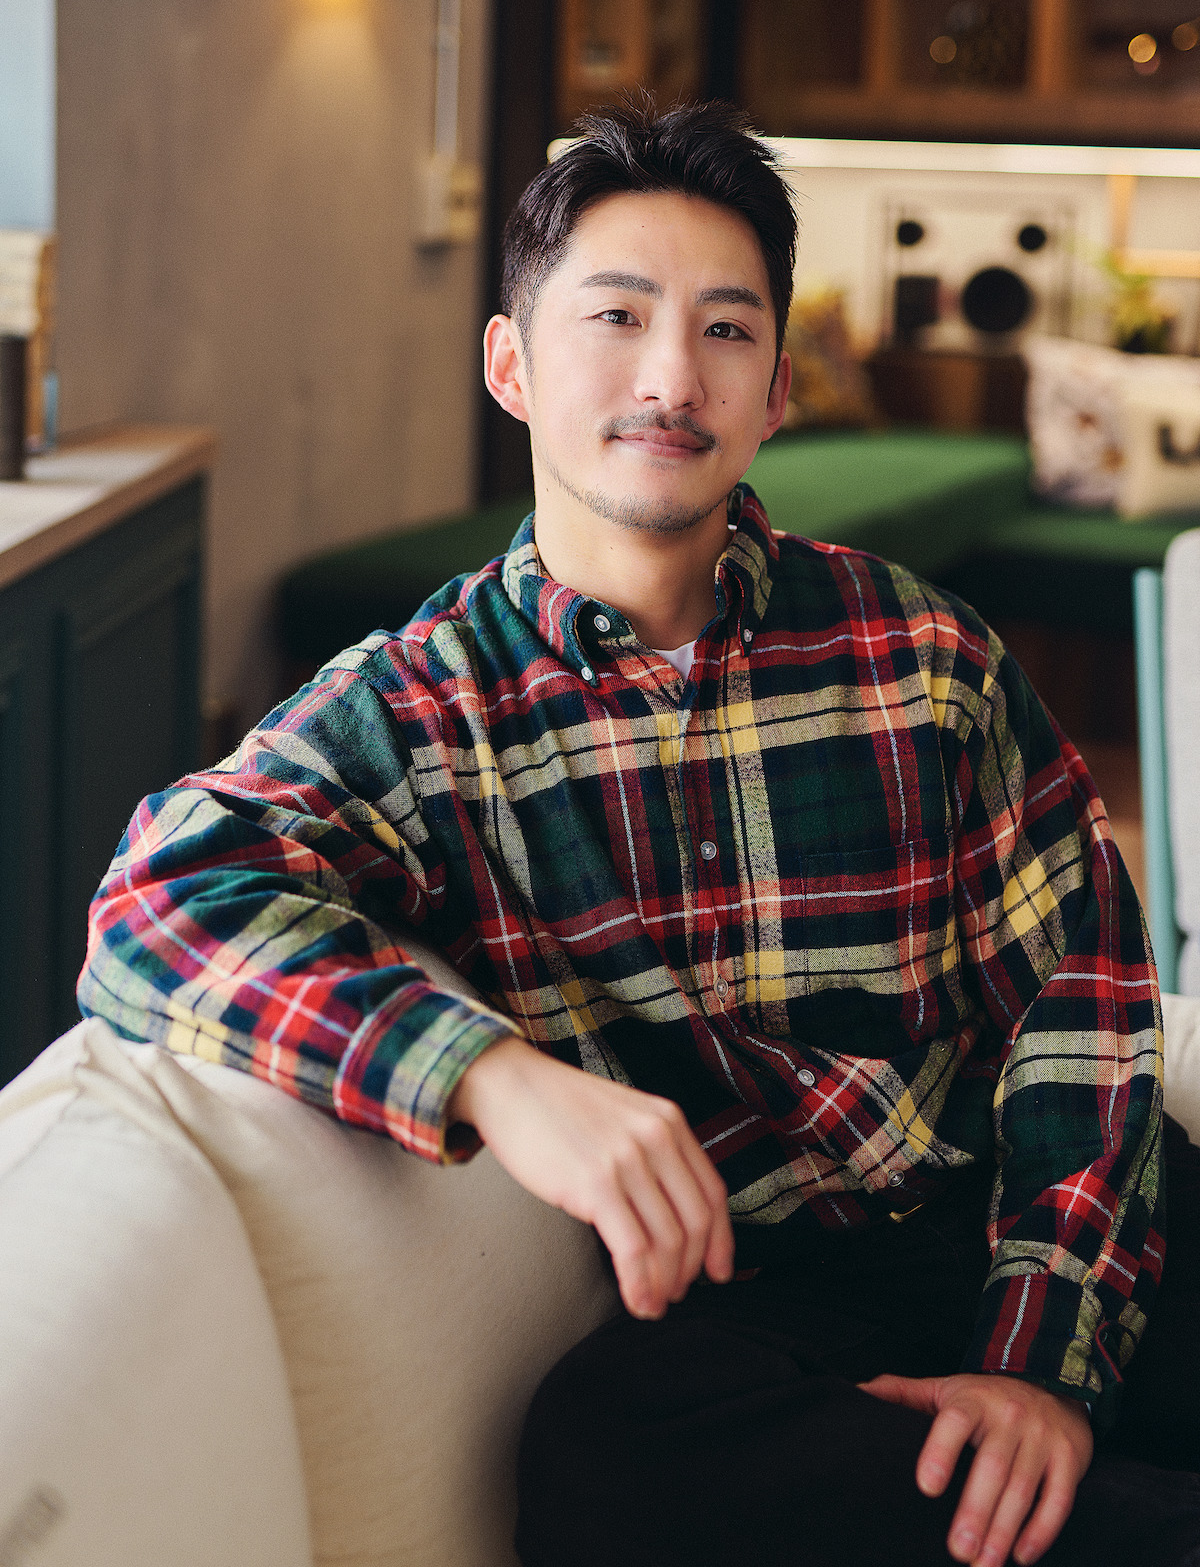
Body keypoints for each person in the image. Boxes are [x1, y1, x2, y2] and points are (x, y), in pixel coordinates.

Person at [79, 100, 1199, 1567]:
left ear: (778, 389)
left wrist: (1039, 1364)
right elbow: (161, 894)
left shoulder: (922, 653)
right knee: (601, 1462)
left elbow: (1084, 1005)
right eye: (617, 316)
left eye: (728, 332)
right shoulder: (422, 709)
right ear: (512, 365)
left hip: (1010, 1213)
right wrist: (501, 1081)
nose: (673, 377)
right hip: (754, 1294)